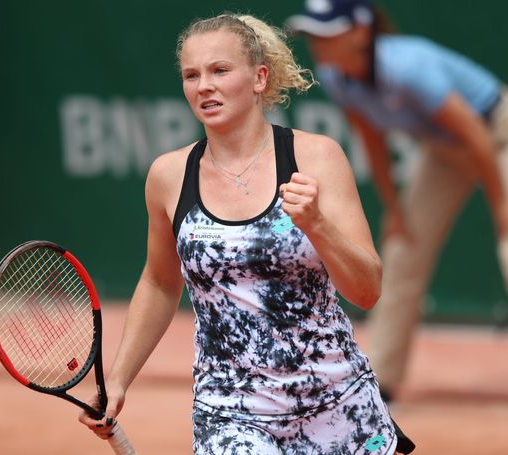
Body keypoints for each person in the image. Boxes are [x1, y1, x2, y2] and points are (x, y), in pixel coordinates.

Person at [78, 12, 415, 454]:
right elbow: (161, 282)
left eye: (220, 71)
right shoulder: (168, 175)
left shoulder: (317, 157)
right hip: (230, 412)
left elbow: (367, 290)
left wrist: (317, 224)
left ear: (259, 78)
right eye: (191, 75)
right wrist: (117, 379)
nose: (204, 86)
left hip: (339, 408)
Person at [287, 0, 508, 433]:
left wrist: (504, 210)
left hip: (501, 137)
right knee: (401, 252)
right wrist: (395, 211)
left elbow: (479, 136)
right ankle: (380, 383)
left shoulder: (408, 67)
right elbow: (372, 140)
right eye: (313, 34)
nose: (318, 44)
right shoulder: (336, 77)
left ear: (360, 32)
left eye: (327, 33)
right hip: (444, 152)